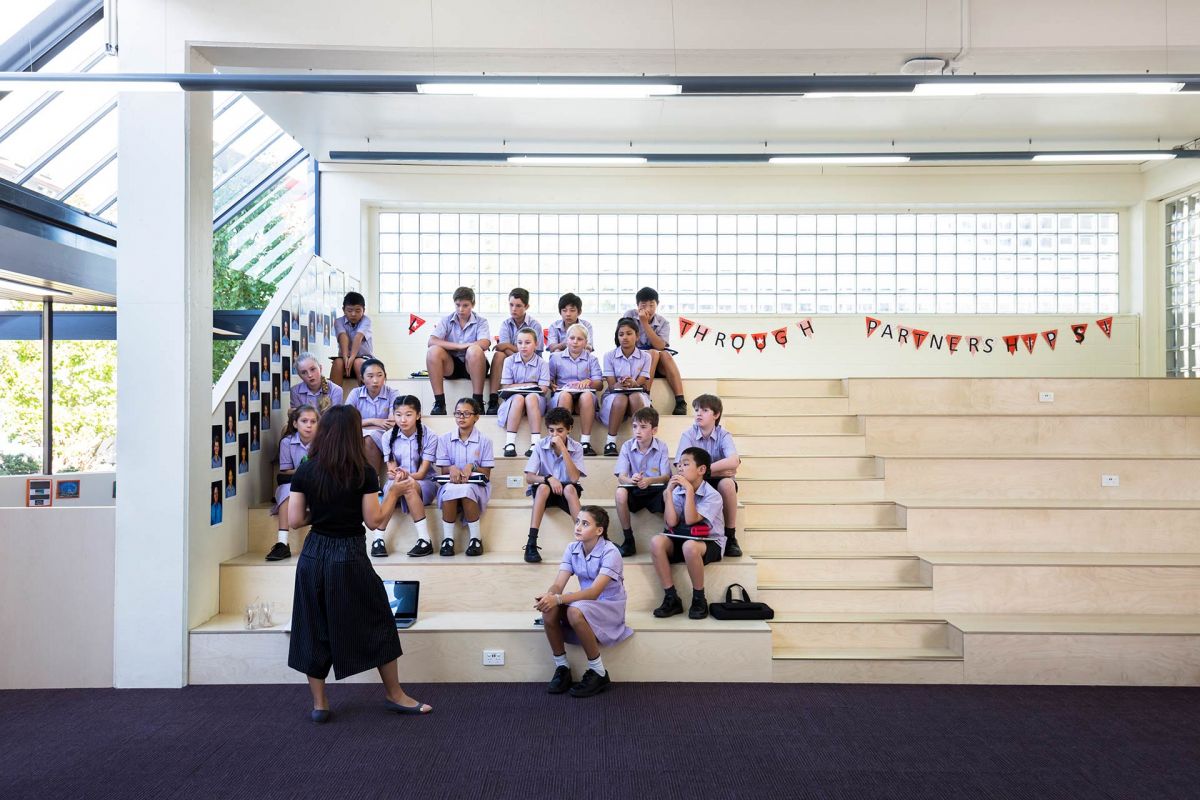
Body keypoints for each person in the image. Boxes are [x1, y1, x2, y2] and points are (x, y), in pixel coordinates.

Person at [286, 405, 431, 722]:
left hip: (313, 555)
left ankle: (320, 704)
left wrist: (321, 513)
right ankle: (395, 695)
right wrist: (394, 492)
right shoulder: (362, 473)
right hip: (348, 554)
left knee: (313, 625)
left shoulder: (305, 470)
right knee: (378, 617)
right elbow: (376, 521)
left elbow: (295, 520)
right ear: (353, 435)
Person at [535, 506, 632, 698]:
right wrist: (549, 596)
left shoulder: (611, 552)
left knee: (573, 611)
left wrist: (558, 599)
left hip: (608, 607)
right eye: (578, 521)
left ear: (599, 530)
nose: (578, 527)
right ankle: (562, 668)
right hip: (585, 603)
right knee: (549, 609)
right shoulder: (572, 548)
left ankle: (598, 672)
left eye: (585, 523)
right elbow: (558, 585)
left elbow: (594, 592)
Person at [649, 447, 726, 620]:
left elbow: (691, 520)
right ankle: (671, 597)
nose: (680, 468)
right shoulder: (677, 490)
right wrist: (668, 493)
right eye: (678, 465)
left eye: (685, 464)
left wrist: (690, 491)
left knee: (690, 547)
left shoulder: (713, 495)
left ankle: (699, 598)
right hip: (683, 538)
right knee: (656, 541)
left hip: (709, 543)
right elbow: (671, 522)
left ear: (701, 470)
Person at [676, 394, 744, 557]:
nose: (698, 413)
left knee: (727, 484)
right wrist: (717, 469)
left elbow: (734, 461)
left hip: (714, 480)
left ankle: (731, 536)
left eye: (705, 410)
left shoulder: (723, 434)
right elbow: (681, 466)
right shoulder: (688, 435)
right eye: (697, 410)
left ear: (716, 414)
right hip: (696, 482)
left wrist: (703, 470)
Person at [378, 395, 438, 558]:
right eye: (398, 414)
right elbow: (391, 471)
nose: (403, 419)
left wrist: (405, 476)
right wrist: (398, 475)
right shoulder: (387, 436)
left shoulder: (430, 435)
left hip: (423, 483)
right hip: (397, 481)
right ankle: (378, 540)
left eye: (408, 414)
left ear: (418, 415)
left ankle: (425, 540)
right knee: (395, 486)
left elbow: (421, 473)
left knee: (409, 484)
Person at [523, 407, 586, 564]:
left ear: (569, 429)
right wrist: (548, 478)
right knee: (543, 487)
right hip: (546, 490)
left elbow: (574, 478)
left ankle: (585, 540)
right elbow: (529, 478)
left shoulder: (576, 447)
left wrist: (563, 449)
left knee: (571, 488)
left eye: (560, 430)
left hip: (567, 490)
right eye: (551, 431)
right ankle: (531, 543)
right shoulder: (540, 445)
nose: (555, 435)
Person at [435, 398, 494, 556]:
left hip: (477, 486)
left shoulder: (485, 441)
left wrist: (472, 466)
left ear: (476, 417)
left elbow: (486, 474)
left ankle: (476, 539)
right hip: (452, 483)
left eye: (466, 414)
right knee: (450, 490)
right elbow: (443, 471)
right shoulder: (444, 439)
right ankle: (448, 540)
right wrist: (451, 468)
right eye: (458, 413)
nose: (461, 417)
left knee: (467, 490)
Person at [614, 406, 671, 556]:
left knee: (669, 492)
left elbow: (666, 477)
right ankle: (628, 539)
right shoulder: (627, 446)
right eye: (634, 427)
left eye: (643, 427)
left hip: (655, 489)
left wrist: (650, 480)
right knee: (620, 492)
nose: (637, 431)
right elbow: (621, 476)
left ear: (654, 430)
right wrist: (631, 479)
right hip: (634, 488)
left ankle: (669, 535)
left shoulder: (662, 447)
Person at [426, 286, 491, 415]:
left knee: (474, 351)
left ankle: (478, 401)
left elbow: (485, 342)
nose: (461, 309)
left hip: (473, 363)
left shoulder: (481, 321)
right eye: (458, 305)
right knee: (433, 351)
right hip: (452, 365)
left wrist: (469, 347)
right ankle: (439, 403)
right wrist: (458, 346)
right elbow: (431, 341)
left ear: (473, 304)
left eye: (465, 305)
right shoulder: (446, 320)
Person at [623, 287, 687, 415]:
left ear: (657, 304)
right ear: (637, 306)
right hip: (636, 364)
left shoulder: (663, 322)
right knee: (652, 353)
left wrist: (645, 323)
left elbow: (660, 346)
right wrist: (641, 321)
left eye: (651, 305)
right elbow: (627, 342)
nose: (648, 309)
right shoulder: (629, 315)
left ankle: (680, 400)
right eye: (643, 305)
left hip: (657, 365)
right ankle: (646, 396)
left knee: (664, 354)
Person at [266, 405, 319, 561]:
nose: (309, 425)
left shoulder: (323, 442)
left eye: (313, 421)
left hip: (316, 484)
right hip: (296, 484)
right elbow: (285, 471)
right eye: (304, 421)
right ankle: (282, 543)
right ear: (295, 424)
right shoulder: (287, 442)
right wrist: (304, 471)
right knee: (285, 490)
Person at [598, 317, 651, 456]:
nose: (625, 337)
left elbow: (641, 382)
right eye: (621, 334)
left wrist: (633, 383)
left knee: (635, 397)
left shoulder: (646, 357)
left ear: (637, 336)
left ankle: (639, 442)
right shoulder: (609, 356)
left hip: (637, 394)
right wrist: (619, 384)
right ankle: (610, 442)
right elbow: (610, 386)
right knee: (621, 398)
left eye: (629, 333)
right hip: (614, 395)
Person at [548, 323, 602, 456]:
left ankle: (585, 442)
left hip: (583, 399)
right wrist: (551, 384)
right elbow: (547, 380)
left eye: (580, 339)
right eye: (572, 338)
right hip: (563, 396)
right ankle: (561, 441)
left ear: (586, 342)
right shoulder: (555, 358)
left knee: (587, 396)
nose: (575, 342)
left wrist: (589, 382)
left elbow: (599, 384)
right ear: (566, 340)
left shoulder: (592, 359)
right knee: (565, 395)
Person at [487, 288, 542, 415]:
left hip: (531, 364)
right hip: (511, 361)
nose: (513, 309)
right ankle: (493, 400)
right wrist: (516, 352)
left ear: (526, 306)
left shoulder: (535, 325)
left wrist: (508, 345)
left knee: (503, 352)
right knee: (498, 355)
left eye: (518, 306)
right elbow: (502, 348)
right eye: (511, 305)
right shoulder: (506, 324)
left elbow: (536, 352)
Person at [497, 327, 550, 458]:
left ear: (536, 344)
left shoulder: (542, 364)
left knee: (531, 397)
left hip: (536, 402)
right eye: (520, 342)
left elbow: (543, 388)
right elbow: (506, 386)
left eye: (527, 342)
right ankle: (510, 443)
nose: (523, 346)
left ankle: (535, 443)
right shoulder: (509, 361)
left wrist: (530, 388)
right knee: (519, 398)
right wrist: (529, 385)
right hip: (514, 401)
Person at [343, 358, 396, 481]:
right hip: (357, 433)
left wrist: (361, 424)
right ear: (362, 378)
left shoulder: (392, 393)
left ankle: (373, 482)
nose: (375, 380)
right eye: (370, 376)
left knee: (369, 436)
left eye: (379, 375)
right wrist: (374, 421)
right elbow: (346, 420)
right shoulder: (355, 393)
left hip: (383, 436)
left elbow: (391, 423)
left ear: (385, 377)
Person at [331, 291, 374, 384]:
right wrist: (346, 358)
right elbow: (343, 337)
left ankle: (365, 396)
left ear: (364, 310)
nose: (353, 314)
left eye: (358, 311)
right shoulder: (338, 321)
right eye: (350, 311)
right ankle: (332, 398)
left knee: (358, 362)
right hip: (345, 359)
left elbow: (358, 337)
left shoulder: (366, 321)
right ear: (343, 310)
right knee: (338, 362)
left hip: (363, 359)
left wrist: (352, 358)